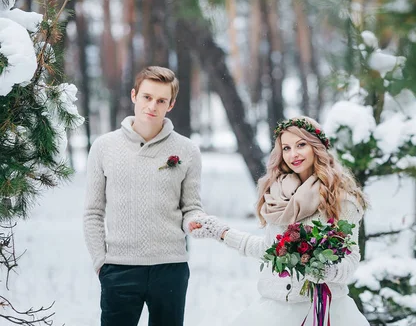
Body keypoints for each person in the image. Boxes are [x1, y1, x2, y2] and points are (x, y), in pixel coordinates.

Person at [194, 116, 370, 325]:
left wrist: (328, 270)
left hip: (323, 311)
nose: (293, 154)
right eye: (286, 148)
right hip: (275, 310)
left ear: (317, 147)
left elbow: (351, 258)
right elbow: (269, 249)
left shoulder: (341, 199)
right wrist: (221, 232)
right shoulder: (278, 195)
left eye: (301, 145)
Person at [83, 66, 213, 326]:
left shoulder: (186, 150)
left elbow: (191, 207)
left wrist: (196, 221)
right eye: (147, 97)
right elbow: (93, 212)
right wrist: (101, 263)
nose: (152, 106)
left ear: (171, 104)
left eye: (161, 100)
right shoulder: (104, 147)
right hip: (119, 268)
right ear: (134, 96)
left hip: (171, 268)